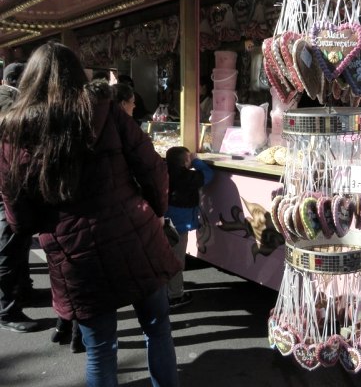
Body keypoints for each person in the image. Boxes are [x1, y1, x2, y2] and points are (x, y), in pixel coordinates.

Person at [0, 42, 181, 386]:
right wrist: (156, 209)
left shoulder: (14, 132)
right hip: (135, 235)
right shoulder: (106, 110)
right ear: (75, 74)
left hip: (74, 252)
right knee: (157, 330)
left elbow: (18, 213)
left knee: (100, 349)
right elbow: (153, 166)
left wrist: (50, 226)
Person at [0, 62, 42, 333]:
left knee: (19, 239)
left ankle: (22, 289)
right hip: (8, 183)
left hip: (12, 181)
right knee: (8, 246)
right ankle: (6, 309)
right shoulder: (10, 102)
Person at [165, 146, 213, 308]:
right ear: (185, 160)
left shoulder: (163, 172)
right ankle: (175, 295)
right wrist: (197, 161)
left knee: (164, 256)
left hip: (164, 222)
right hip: (179, 225)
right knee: (176, 260)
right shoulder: (186, 176)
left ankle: (164, 291)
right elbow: (208, 175)